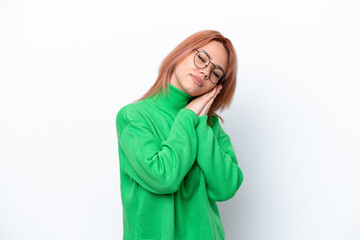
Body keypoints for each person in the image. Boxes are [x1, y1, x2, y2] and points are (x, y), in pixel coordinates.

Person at [115, 29, 244, 240]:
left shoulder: (209, 126)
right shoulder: (133, 116)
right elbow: (163, 178)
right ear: (181, 53)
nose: (205, 72)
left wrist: (200, 121)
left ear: (216, 87)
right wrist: (188, 116)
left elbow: (226, 188)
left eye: (215, 73)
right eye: (202, 58)